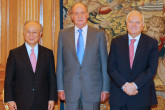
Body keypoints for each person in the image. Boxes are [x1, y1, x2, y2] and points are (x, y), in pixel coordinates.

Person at [57, 2, 110, 110]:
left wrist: (105, 89)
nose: (80, 16)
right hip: (70, 90)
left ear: (87, 15)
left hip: (93, 90)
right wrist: (60, 88)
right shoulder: (63, 35)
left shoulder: (99, 35)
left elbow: (105, 64)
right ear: (72, 16)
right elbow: (60, 63)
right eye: (76, 13)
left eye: (82, 13)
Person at [108, 11, 158, 110]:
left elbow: (152, 69)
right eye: (131, 22)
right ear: (126, 24)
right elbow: (111, 68)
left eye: (137, 22)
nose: (134, 25)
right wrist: (125, 85)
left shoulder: (152, 43)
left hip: (141, 97)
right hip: (119, 96)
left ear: (143, 25)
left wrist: (135, 85)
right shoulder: (116, 42)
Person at [4, 21, 58, 110]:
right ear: (24, 33)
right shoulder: (14, 54)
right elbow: (9, 79)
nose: (31, 35)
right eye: (28, 32)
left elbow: (52, 78)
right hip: (20, 102)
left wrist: (52, 98)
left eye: (34, 32)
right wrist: (10, 100)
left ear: (40, 34)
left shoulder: (48, 53)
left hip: (43, 102)